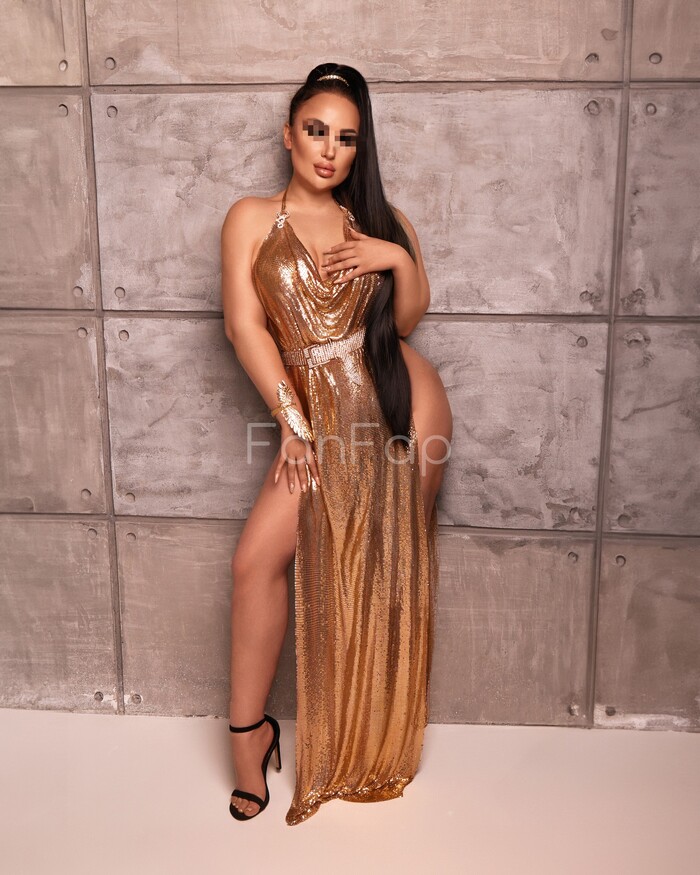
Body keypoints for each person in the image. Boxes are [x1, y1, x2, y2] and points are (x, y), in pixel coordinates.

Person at [220, 62, 453, 826]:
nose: (330, 150)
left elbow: (406, 322)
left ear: (360, 148)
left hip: (399, 407)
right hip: (316, 416)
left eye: (347, 138)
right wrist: (293, 423)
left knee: (377, 571)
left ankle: (370, 733)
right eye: (316, 131)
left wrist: (396, 258)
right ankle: (248, 737)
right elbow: (244, 327)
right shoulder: (252, 218)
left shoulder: (378, 219)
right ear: (288, 135)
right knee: (256, 562)